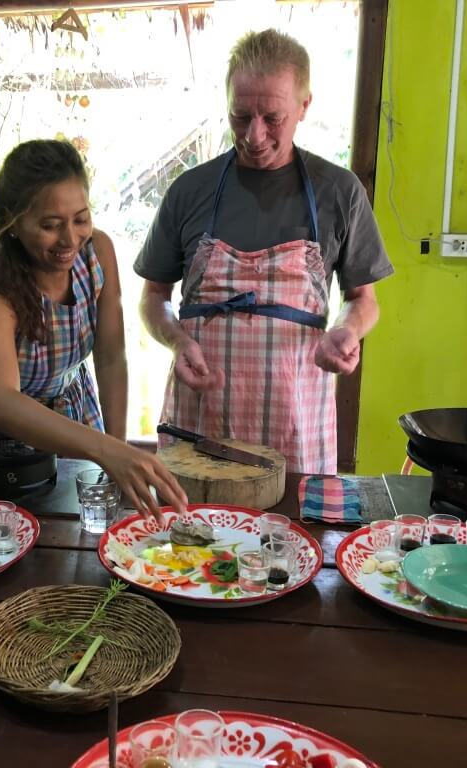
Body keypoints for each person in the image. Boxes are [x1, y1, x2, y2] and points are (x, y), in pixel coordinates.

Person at [136, 29, 393, 474]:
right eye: (240, 116)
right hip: (201, 418)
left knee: (295, 535)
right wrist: (177, 340)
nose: (254, 136)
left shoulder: (339, 191)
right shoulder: (189, 190)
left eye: (272, 117)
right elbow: (153, 297)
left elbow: (362, 301)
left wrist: (348, 332)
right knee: (192, 541)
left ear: (304, 106)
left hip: (296, 423)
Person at [0, 139, 186, 521]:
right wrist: (105, 450)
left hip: (74, 411)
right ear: (13, 224)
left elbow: (110, 356)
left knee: (86, 532)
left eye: (80, 218)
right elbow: (2, 403)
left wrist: (116, 446)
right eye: (49, 225)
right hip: (0, 439)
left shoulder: (98, 253)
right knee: (5, 535)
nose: (69, 239)